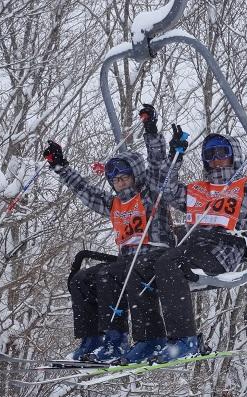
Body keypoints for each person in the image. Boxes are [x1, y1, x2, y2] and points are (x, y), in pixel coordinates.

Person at [120, 125, 247, 363]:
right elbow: (167, 191)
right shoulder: (198, 190)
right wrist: (174, 157)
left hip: (222, 250)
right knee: (137, 267)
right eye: (210, 155)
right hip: (191, 248)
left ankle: (185, 339)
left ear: (233, 155)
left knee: (169, 262)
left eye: (222, 153)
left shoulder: (246, 188)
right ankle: (149, 339)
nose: (216, 160)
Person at [42, 105, 174, 362]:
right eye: (115, 179)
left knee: (107, 275)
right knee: (81, 279)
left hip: (154, 255)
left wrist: (151, 131)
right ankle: (93, 338)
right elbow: (86, 192)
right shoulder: (114, 204)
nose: (120, 182)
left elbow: (158, 166)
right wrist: (60, 167)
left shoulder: (150, 196)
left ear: (135, 176)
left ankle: (119, 339)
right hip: (128, 262)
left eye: (125, 177)